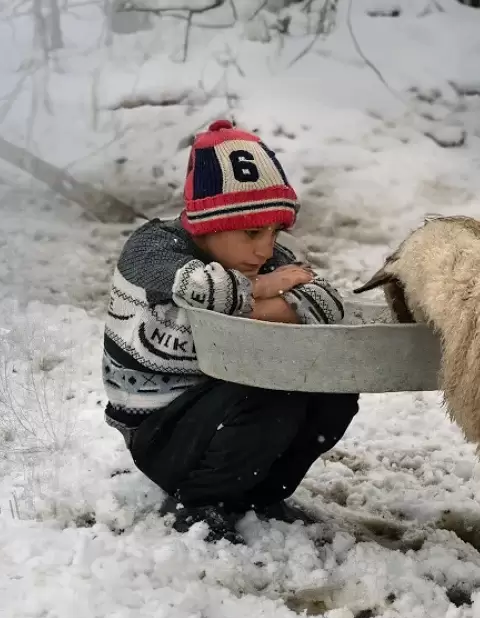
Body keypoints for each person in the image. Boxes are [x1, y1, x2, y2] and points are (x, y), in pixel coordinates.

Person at [100, 119, 360, 542]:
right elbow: (204, 291)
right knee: (271, 392)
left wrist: (258, 301)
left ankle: (259, 493)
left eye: (274, 232)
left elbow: (324, 303)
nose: (266, 248)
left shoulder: (261, 256)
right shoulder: (151, 250)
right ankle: (201, 502)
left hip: (217, 409)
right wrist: (269, 289)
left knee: (332, 390)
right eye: (253, 232)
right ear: (207, 223)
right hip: (159, 428)